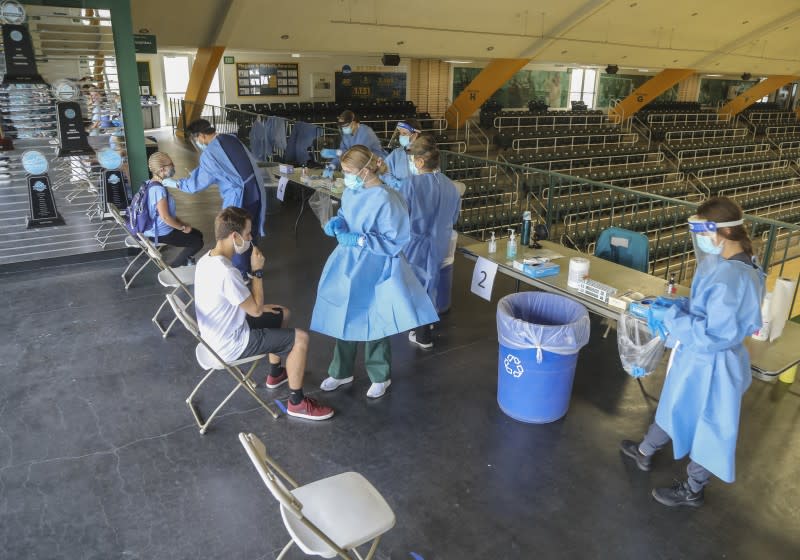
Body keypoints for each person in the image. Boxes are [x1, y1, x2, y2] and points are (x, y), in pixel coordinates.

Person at [620, 196, 764, 508]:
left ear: (722, 232)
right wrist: (678, 306)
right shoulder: (732, 265)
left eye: (702, 231)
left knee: (709, 425)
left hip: (713, 363)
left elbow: (712, 334)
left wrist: (671, 317)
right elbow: (706, 310)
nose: (699, 238)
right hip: (698, 359)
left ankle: (693, 488)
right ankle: (644, 451)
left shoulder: (733, 278)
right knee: (675, 405)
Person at [311, 145, 438, 398]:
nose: (345, 176)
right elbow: (347, 215)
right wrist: (338, 222)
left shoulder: (387, 198)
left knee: (374, 320)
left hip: (375, 264)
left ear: (367, 170)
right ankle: (340, 371)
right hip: (348, 263)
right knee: (343, 316)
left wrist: (358, 240)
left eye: (349, 171)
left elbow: (396, 239)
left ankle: (380, 375)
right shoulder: (351, 191)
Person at [193, 207, 334, 420]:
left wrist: (256, 307)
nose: (250, 239)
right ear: (235, 236)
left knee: (281, 312)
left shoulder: (206, 260)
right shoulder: (227, 272)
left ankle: (276, 374)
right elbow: (256, 309)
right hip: (230, 344)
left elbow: (237, 303)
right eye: (248, 234)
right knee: (300, 339)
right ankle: (297, 403)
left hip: (215, 334)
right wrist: (257, 271)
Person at [164, 118, 266, 277]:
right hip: (255, 191)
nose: (197, 143)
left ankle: (240, 273)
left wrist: (177, 184)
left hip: (240, 197)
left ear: (202, 136)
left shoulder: (210, 154)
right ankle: (255, 266)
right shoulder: (230, 138)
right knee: (249, 231)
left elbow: (196, 184)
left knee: (235, 234)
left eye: (196, 139)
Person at [397, 134, 461, 349]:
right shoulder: (450, 186)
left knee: (416, 285)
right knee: (430, 281)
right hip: (439, 242)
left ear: (420, 161)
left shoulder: (410, 185)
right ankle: (428, 322)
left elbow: (400, 216)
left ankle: (422, 334)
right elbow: (454, 217)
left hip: (415, 243)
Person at [143, 152, 204, 267]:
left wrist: (181, 223)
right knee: (197, 242)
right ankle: (174, 267)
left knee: (197, 234)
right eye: (171, 164)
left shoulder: (149, 183)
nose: (174, 166)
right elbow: (165, 217)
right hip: (160, 232)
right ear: (162, 170)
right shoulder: (158, 190)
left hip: (154, 228)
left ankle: (186, 260)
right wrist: (183, 227)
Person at [321, 110, 387, 178]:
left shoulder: (365, 132)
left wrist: (337, 153)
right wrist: (332, 166)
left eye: (345, 126)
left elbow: (357, 154)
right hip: (359, 166)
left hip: (375, 165)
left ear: (353, 123)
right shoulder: (346, 134)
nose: (344, 128)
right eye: (342, 126)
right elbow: (343, 151)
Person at [380, 118, 422, 189]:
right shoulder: (396, 153)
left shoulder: (426, 154)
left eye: (404, 133)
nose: (401, 136)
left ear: (415, 135)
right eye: (400, 133)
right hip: (398, 195)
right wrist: (398, 186)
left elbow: (428, 180)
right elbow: (384, 172)